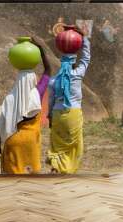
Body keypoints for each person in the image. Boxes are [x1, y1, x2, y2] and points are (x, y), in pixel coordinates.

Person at [0, 38, 51, 174]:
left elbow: (2, 121)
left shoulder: (10, 98)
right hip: (30, 141)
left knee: (12, 176)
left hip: (13, 140)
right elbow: (48, 71)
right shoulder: (37, 93)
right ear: (33, 80)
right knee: (30, 176)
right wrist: (40, 49)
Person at [47, 27, 91, 174]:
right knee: (74, 144)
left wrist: (50, 116)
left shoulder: (54, 81)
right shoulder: (77, 74)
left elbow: (51, 100)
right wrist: (84, 37)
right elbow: (85, 58)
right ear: (73, 62)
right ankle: (68, 170)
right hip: (73, 113)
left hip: (57, 113)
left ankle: (55, 166)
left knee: (58, 144)